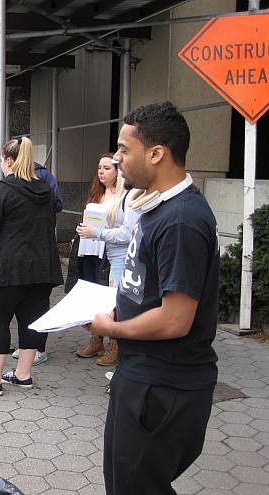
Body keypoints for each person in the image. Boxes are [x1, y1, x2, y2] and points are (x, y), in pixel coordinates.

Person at [89, 101, 220, 495]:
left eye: (124, 149)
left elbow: (175, 319)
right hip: (142, 373)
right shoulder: (155, 208)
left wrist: (111, 327)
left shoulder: (181, 219)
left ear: (156, 153)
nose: (116, 158)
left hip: (164, 385)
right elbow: (145, 287)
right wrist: (117, 308)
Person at [0, 137, 63, 396]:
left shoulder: (2, 190)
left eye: (1, 161)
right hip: (42, 268)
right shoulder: (46, 190)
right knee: (31, 322)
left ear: (8, 160)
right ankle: (23, 374)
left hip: (8, 269)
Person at [75, 162, 142, 366]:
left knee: (119, 309)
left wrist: (96, 232)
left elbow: (128, 233)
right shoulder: (121, 196)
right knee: (114, 306)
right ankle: (108, 347)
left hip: (121, 259)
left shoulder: (129, 197)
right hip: (111, 258)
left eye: (112, 167)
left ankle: (119, 351)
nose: (103, 172)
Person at [11, 159, 63, 365]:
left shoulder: (43, 175)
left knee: (39, 300)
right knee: (26, 300)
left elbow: (57, 203)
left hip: (41, 247)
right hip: (26, 246)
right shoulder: (13, 177)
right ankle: (27, 345)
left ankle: (39, 347)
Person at [72, 153, 119, 362]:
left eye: (107, 168)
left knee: (109, 298)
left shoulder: (122, 197)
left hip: (108, 253)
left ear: (118, 172)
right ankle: (96, 340)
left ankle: (114, 344)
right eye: (100, 167)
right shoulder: (96, 193)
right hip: (89, 249)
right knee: (92, 294)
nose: (101, 172)